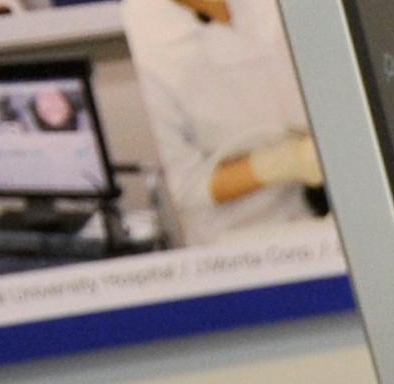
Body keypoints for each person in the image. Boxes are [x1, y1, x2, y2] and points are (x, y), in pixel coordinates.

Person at [122, 0, 328, 246]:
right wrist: (283, 163)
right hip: (239, 243)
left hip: (331, 216)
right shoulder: (144, 29)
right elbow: (186, 186)